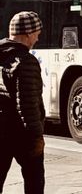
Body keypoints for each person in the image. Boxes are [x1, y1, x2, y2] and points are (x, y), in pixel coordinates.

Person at [0, 11, 46, 194]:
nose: (37, 38)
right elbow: (27, 104)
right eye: (36, 33)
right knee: (34, 180)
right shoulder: (26, 61)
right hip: (21, 133)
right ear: (27, 33)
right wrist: (36, 137)